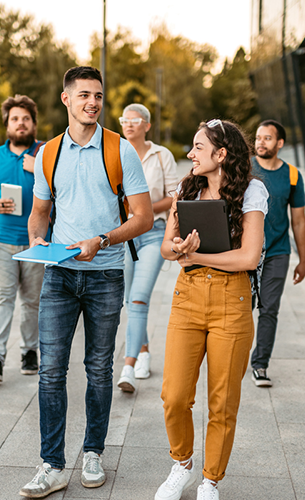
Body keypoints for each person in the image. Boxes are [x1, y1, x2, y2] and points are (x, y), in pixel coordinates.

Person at [18, 66, 152, 498]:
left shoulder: (119, 150)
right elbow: (40, 211)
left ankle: (93, 452)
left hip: (106, 275)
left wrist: (103, 239)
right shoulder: (48, 154)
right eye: (84, 95)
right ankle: (52, 465)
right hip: (58, 275)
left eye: (97, 95)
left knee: (98, 369)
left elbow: (143, 218)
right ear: (66, 100)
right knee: (51, 371)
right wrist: (37, 238)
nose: (92, 102)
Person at [155, 119, 267, 500]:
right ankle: (182, 464)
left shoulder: (252, 191)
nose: (190, 154)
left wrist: (196, 254)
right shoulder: (187, 187)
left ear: (221, 154)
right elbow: (166, 247)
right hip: (187, 298)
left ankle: (210, 480)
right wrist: (179, 250)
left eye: (198, 147)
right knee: (173, 395)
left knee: (221, 401)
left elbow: (249, 257)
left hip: (231, 302)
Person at [0, 95, 45, 383]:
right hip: (1, 241)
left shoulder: (44, 155)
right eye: (15, 118)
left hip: (36, 242)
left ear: (33, 124)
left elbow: (62, 190)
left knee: (31, 302)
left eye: (26, 119)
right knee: (3, 297)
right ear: (7, 124)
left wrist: (38, 168)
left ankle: (30, 351)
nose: (21, 124)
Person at [116, 103, 178, 393]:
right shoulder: (115, 151)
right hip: (125, 235)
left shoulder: (161, 155)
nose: (129, 125)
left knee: (139, 298)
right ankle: (143, 351)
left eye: (135, 120)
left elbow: (173, 196)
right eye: (124, 120)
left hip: (153, 233)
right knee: (129, 298)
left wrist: (144, 210)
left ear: (147, 126)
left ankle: (127, 366)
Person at [250, 119, 305, 387]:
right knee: (242, 307)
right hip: (245, 251)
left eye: (268, 138)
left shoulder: (293, 175)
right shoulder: (245, 168)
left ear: (280, 144)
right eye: (258, 138)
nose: (261, 142)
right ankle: (235, 357)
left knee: (269, 309)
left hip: (278, 252)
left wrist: (303, 260)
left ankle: (260, 364)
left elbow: (298, 220)